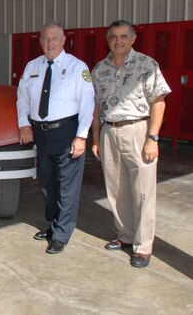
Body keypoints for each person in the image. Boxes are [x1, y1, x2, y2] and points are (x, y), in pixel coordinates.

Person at [91, 20, 171, 268]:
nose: (118, 41)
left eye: (124, 36)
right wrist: (95, 138)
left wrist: (152, 137)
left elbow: (158, 101)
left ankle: (143, 246)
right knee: (116, 189)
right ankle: (124, 235)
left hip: (138, 130)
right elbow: (94, 107)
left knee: (143, 191)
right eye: (113, 37)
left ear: (133, 39)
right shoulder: (99, 69)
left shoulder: (147, 64)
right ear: (108, 40)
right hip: (109, 131)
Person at [17, 22, 94, 254]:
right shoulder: (32, 66)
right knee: (47, 184)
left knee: (67, 187)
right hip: (40, 133)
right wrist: (24, 124)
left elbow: (87, 105)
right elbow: (22, 98)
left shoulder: (77, 67)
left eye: (54, 39)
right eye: (45, 39)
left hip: (66, 133)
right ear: (40, 41)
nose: (49, 44)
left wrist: (81, 137)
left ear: (63, 41)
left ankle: (62, 233)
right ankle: (52, 225)